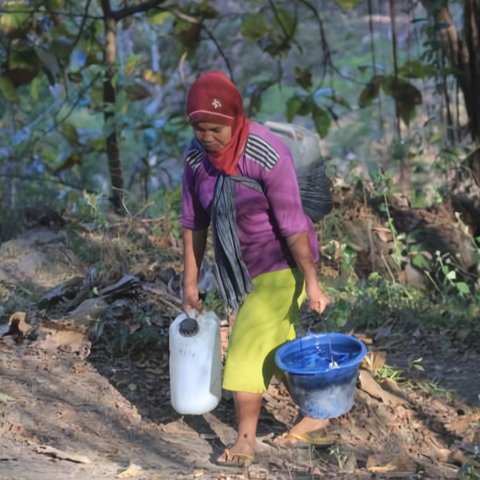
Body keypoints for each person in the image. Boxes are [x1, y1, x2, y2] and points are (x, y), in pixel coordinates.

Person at [180, 70, 331, 466]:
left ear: (234, 119)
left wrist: (313, 282)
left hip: (282, 266)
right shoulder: (196, 161)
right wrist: (190, 283)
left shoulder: (264, 153)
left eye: (216, 129)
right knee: (275, 347)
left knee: (246, 344)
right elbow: (194, 223)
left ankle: (244, 440)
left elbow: (293, 224)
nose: (207, 137)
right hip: (239, 271)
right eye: (199, 128)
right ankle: (319, 411)